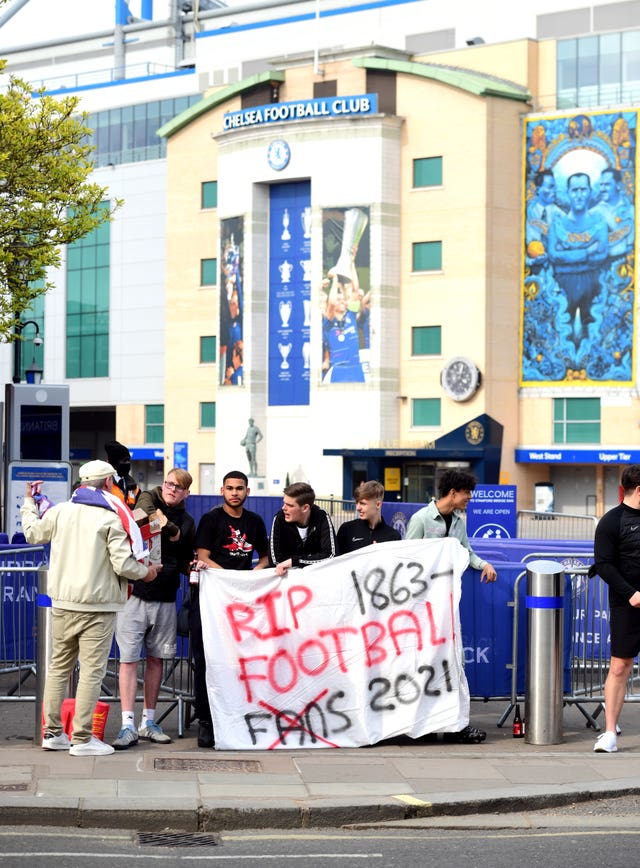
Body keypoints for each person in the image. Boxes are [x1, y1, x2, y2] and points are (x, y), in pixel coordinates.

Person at [21, 460, 160, 757]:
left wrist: (29, 502)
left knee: (58, 669)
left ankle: (53, 733)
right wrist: (147, 572)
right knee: (91, 673)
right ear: (109, 483)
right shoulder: (110, 519)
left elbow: (33, 533)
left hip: (62, 602)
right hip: (98, 605)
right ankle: (82, 738)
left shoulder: (59, 511)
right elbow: (123, 564)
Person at [405, 468, 497, 745]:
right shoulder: (421, 519)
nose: (470, 498)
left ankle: (453, 724)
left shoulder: (459, 520)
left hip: (446, 607)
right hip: (422, 607)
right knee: (422, 663)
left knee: (450, 662)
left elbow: (465, 550)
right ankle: (420, 724)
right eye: (467, 492)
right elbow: (407, 556)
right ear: (453, 492)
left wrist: (484, 564)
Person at [112, 469, 196, 750]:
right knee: (128, 660)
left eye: (179, 487)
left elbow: (185, 558)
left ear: (186, 493)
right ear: (164, 484)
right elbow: (142, 513)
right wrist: (170, 529)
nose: (172, 489)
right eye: (170, 484)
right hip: (134, 594)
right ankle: (126, 724)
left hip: (165, 595)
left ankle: (148, 721)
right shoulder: (148, 498)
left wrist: (192, 567)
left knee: (157, 659)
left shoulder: (189, 520)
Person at [190, 470, 269, 748]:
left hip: (242, 606)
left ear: (247, 491)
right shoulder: (211, 520)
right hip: (210, 603)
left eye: (239, 488)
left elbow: (266, 557)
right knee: (207, 661)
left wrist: (251, 575)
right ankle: (206, 721)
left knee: (241, 660)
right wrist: (229, 580)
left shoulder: (255, 521)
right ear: (222, 490)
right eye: (230, 488)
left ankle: (238, 716)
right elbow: (202, 557)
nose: (235, 492)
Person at [591, 464, 640, 753]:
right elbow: (604, 565)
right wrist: (631, 593)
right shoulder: (611, 522)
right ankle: (610, 733)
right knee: (620, 666)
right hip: (627, 604)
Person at [547, 172, 608, 340]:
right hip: (562, 288)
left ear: (590, 191)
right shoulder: (557, 224)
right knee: (562, 336)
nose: (579, 195)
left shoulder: (599, 223)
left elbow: (602, 255)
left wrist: (566, 256)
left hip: (593, 286)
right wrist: (588, 251)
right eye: (574, 190)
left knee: (593, 337)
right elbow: (553, 255)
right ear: (567, 192)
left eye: (583, 190)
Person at [269, 482, 337, 576]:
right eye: (284, 503)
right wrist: (310, 559)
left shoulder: (321, 516)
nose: (283, 508)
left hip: (317, 578)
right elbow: (275, 561)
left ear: (305, 508)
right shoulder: (280, 518)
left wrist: (294, 561)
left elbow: (331, 555)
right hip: (288, 582)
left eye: (290, 505)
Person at [336, 480, 401, 554]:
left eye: (363, 503)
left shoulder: (393, 537)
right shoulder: (346, 529)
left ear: (378, 505)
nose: (358, 508)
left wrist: (382, 555)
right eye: (357, 503)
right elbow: (336, 562)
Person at [594, 167, 635, 261]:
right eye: (601, 185)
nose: (602, 189)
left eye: (607, 184)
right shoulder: (595, 212)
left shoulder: (632, 211)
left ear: (618, 185)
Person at [105, 440, 140, 508]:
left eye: (128, 460)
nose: (127, 463)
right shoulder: (104, 485)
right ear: (113, 463)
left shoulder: (133, 486)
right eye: (124, 460)